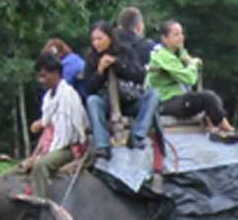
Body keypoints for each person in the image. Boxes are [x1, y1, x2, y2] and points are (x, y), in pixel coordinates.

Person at [146, 20, 238, 140]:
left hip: (177, 98)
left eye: (181, 33)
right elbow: (189, 79)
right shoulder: (162, 56)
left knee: (210, 97)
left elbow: (186, 58)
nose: (181, 37)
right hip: (165, 102)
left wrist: (188, 60)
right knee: (207, 98)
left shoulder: (177, 51)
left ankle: (216, 128)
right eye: (176, 34)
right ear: (165, 38)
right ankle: (226, 128)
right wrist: (192, 64)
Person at [18, 54, 87, 197]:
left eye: (44, 76)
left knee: (40, 166)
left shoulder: (68, 96)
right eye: (39, 77)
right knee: (16, 171)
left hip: (67, 148)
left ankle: (39, 204)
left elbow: (67, 135)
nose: (41, 80)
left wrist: (39, 158)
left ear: (55, 74)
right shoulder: (49, 98)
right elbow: (49, 125)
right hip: (53, 145)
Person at [79, 20, 149, 159]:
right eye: (93, 39)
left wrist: (118, 64)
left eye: (100, 38)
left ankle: (138, 136)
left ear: (110, 37)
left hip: (129, 100)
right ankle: (102, 145)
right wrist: (99, 71)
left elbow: (140, 76)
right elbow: (88, 89)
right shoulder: (91, 57)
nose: (96, 43)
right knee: (92, 101)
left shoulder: (125, 50)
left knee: (153, 95)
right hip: (106, 102)